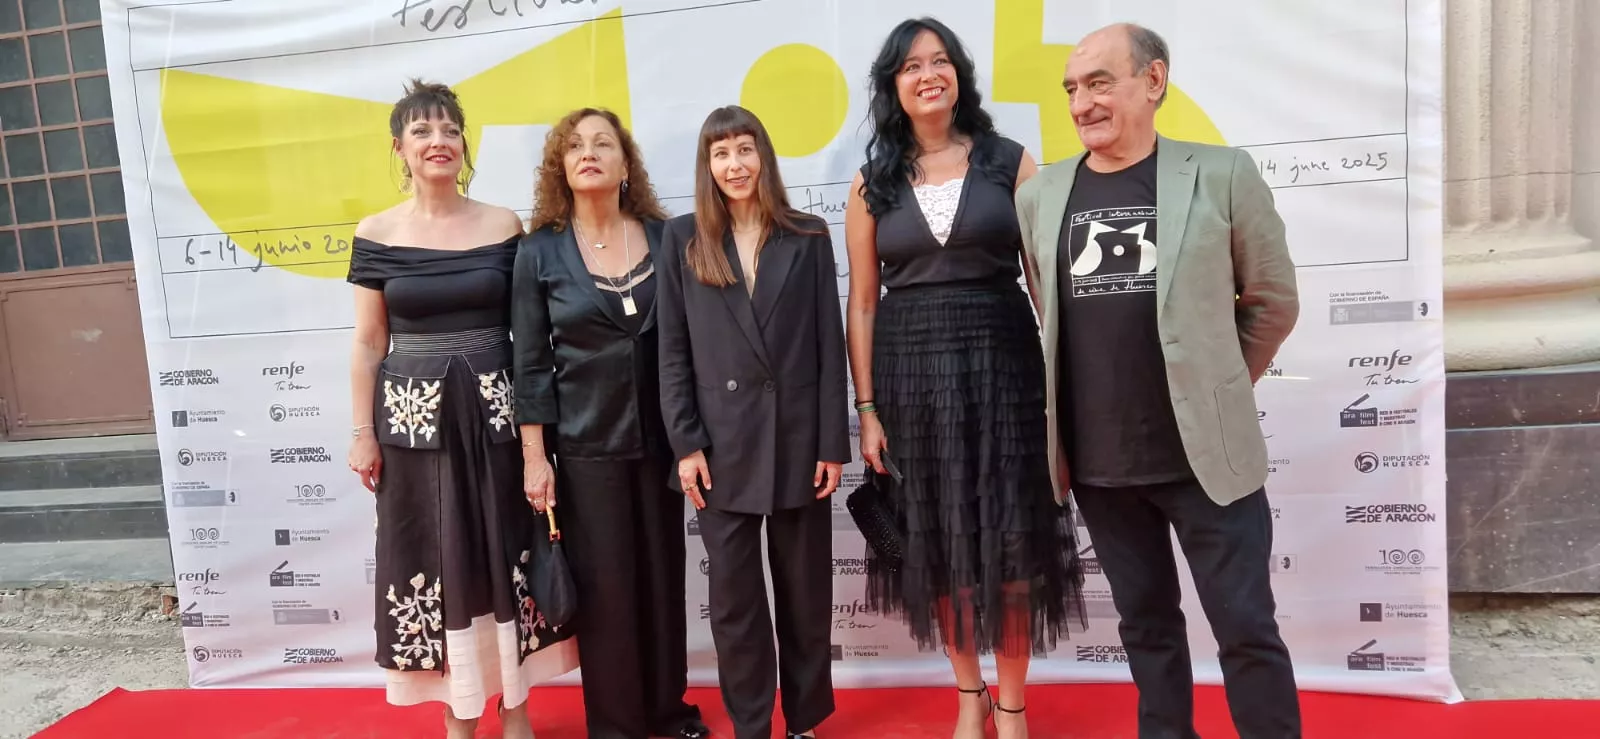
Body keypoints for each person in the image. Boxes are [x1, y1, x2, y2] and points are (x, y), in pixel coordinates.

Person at [1014, 23, 1302, 739]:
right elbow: (1052, 312)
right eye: (1073, 88)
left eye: (1100, 82)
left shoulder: (1221, 173)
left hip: (1208, 461)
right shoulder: (1041, 196)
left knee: (1245, 629)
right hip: (1101, 466)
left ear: (1154, 80)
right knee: (1146, 631)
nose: (1082, 102)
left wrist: (1215, 387)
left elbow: (1272, 301)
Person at [844, 18, 1087, 739]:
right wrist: (867, 408)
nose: (929, 74)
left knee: (1014, 539)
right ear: (894, 85)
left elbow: (1046, 285)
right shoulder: (872, 183)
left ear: (959, 75)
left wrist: (1063, 384)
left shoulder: (1011, 163)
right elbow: (861, 301)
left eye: (940, 61)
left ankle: (1010, 706)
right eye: (912, 65)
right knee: (940, 545)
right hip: (911, 375)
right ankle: (967, 693)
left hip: (1004, 367)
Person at [345, 79, 577, 739]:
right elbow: (368, 342)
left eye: (448, 130)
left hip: (498, 418)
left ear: (464, 142)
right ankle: (459, 712)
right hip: (414, 425)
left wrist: (537, 442)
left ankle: (517, 707)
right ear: (400, 147)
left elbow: (529, 336)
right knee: (436, 558)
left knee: (506, 551)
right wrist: (362, 432)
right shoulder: (375, 232)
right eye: (422, 132)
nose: (437, 141)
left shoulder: (504, 224)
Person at [510, 107, 709, 739]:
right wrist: (534, 457)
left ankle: (667, 711)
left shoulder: (665, 235)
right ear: (560, 168)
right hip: (585, 448)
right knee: (609, 593)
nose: (588, 153)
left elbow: (692, 341)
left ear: (626, 164)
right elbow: (531, 364)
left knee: (661, 581)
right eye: (575, 146)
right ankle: (618, 726)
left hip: (665, 444)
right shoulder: (538, 251)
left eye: (603, 143)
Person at [657, 105, 848, 739]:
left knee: (803, 596)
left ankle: (804, 722)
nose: (734, 165)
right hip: (719, 448)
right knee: (736, 607)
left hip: (798, 442)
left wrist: (830, 442)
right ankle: (750, 726)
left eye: (745, 150)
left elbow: (829, 344)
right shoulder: (683, 239)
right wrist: (685, 444)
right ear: (706, 165)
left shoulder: (809, 235)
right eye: (720, 154)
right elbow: (673, 352)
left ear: (763, 156)